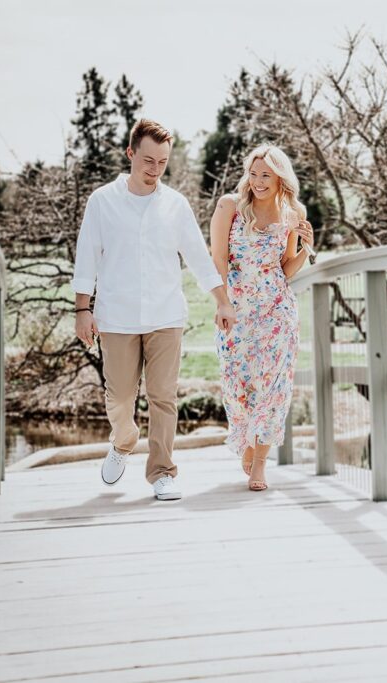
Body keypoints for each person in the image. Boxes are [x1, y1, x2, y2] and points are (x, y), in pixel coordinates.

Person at [72, 119, 236, 501]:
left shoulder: (175, 205)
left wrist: (222, 300)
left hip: (166, 315)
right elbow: (86, 257)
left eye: (162, 162)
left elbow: (198, 257)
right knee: (120, 397)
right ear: (130, 154)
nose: (154, 169)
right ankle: (123, 440)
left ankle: (162, 471)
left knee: (163, 395)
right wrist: (83, 309)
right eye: (148, 160)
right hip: (117, 316)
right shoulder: (102, 201)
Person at [210, 143, 314, 491]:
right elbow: (218, 259)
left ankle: (260, 466)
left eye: (265, 175)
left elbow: (286, 270)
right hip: (236, 310)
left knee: (273, 388)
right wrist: (222, 302)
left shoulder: (292, 214)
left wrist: (302, 246)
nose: (257, 181)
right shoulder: (230, 206)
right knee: (236, 385)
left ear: (280, 177)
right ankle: (247, 442)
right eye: (253, 174)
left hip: (276, 312)